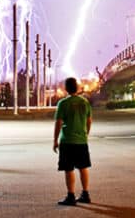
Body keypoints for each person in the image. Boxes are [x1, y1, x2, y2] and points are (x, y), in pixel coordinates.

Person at [53, 77, 92, 206]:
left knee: (68, 168)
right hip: (81, 140)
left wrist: (55, 140)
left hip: (68, 141)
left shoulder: (63, 103)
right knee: (83, 167)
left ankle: (71, 195)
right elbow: (89, 120)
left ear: (66, 88)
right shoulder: (85, 102)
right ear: (77, 87)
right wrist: (85, 134)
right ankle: (85, 194)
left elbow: (58, 123)